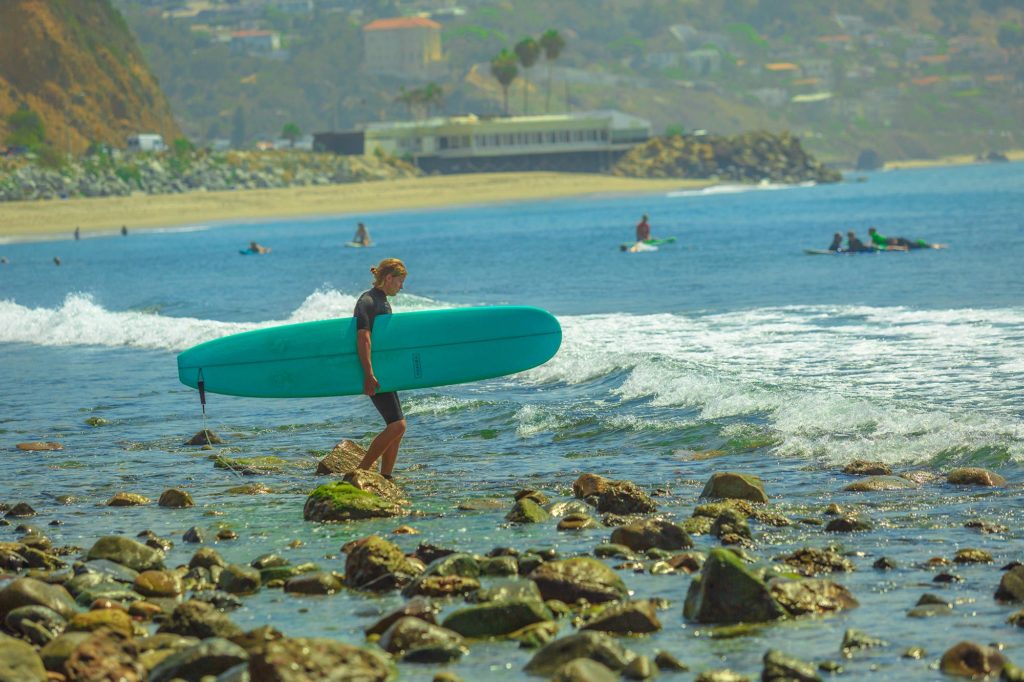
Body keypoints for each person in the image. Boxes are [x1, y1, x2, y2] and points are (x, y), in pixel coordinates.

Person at [354, 258, 408, 480]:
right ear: (388, 278)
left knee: (395, 426)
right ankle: (361, 471)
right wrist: (368, 374)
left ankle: (386, 476)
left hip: (383, 371)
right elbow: (363, 337)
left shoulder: (382, 300)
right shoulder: (368, 301)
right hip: (373, 371)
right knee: (398, 426)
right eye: (400, 281)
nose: (401, 286)